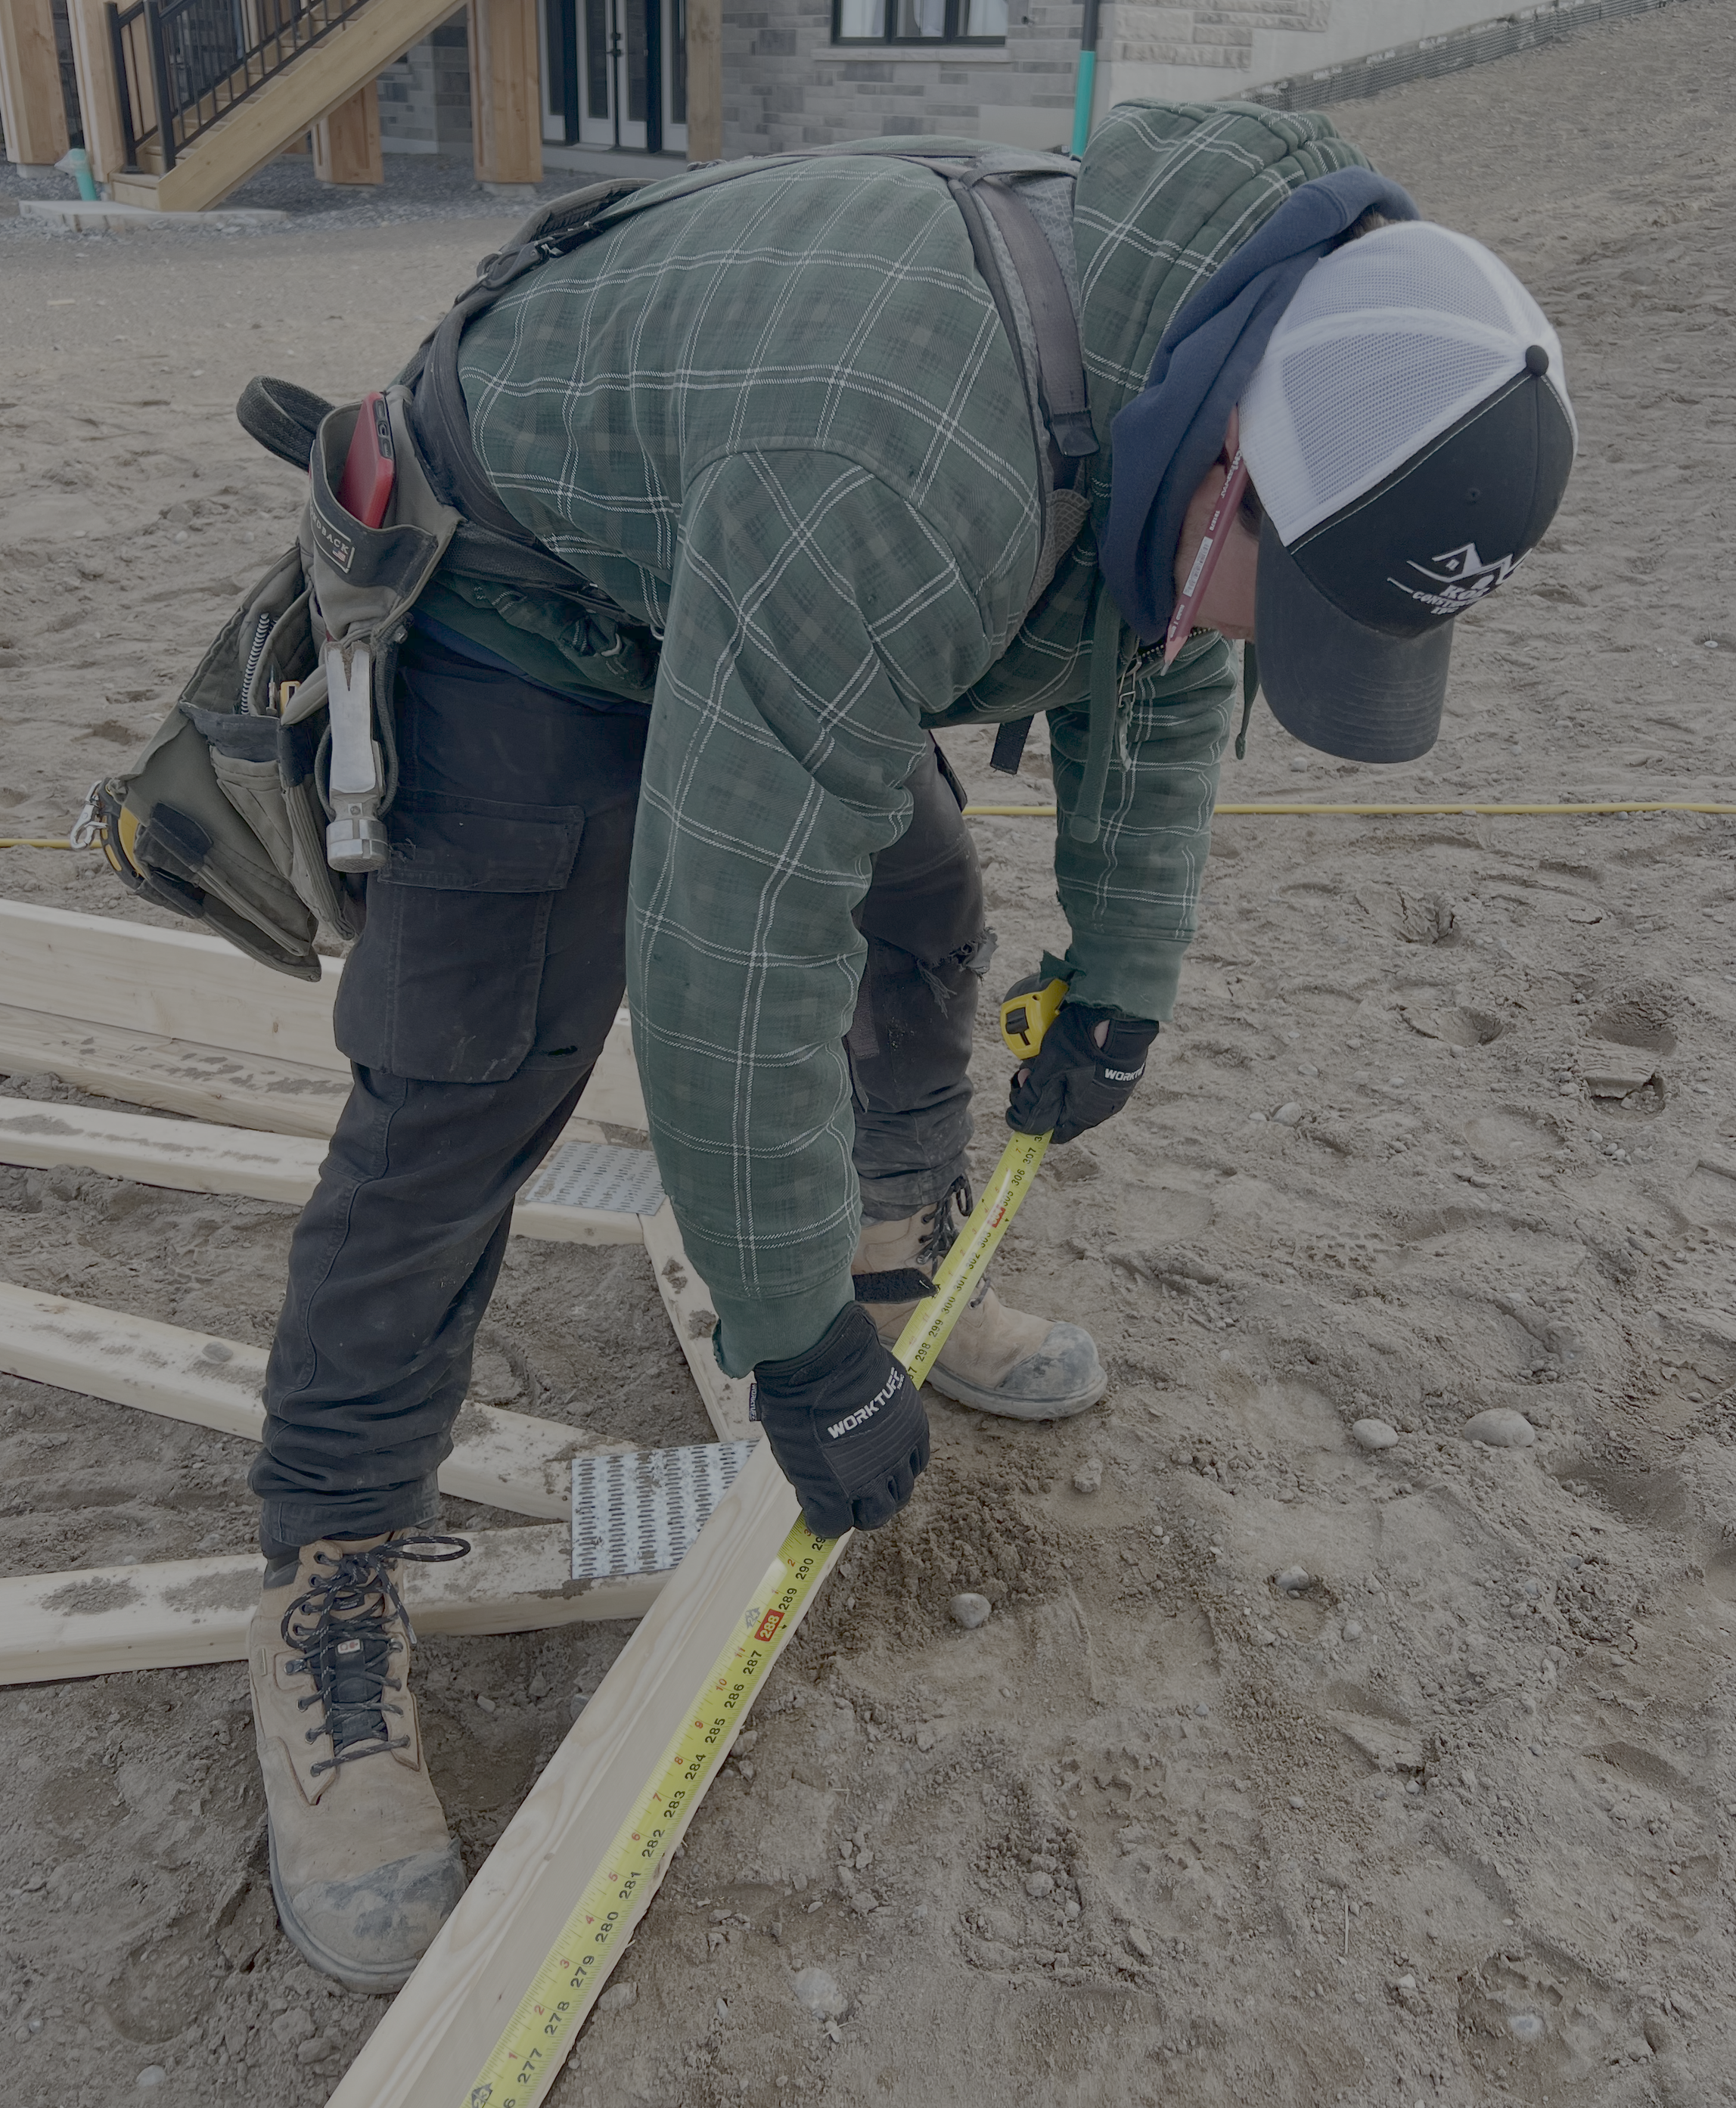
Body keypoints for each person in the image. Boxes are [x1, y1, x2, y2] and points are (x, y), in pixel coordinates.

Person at [243, 101, 1576, 1991]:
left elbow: (1166, 663)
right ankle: (326, 1572)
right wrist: (787, 1344)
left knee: (923, 911)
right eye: (1296, 608)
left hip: (766, 542)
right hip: (524, 583)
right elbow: (730, 944)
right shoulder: (899, 460)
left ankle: (894, 1268)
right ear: (1230, 479)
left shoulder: (1214, 360)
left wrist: (1119, 968)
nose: (1264, 649)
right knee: (473, 1079)